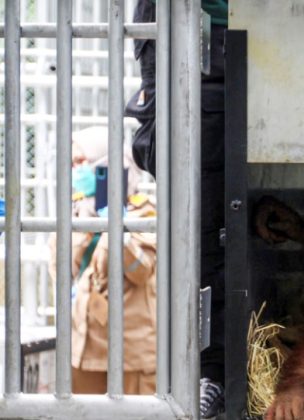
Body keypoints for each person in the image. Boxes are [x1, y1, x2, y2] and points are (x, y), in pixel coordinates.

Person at [125, 1, 228, 417]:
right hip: (191, 33)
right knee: (200, 219)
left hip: (250, 32)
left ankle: (212, 370)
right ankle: (211, 371)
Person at [49, 126, 158, 394]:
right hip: (83, 349)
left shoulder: (144, 213)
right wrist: (83, 225)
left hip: (131, 353)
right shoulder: (74, 213)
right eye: (72, 163)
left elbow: (141, 271)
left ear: (107, 164)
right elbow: (59, 270)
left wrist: (115, 228)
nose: (76, 170)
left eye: (82, 161)